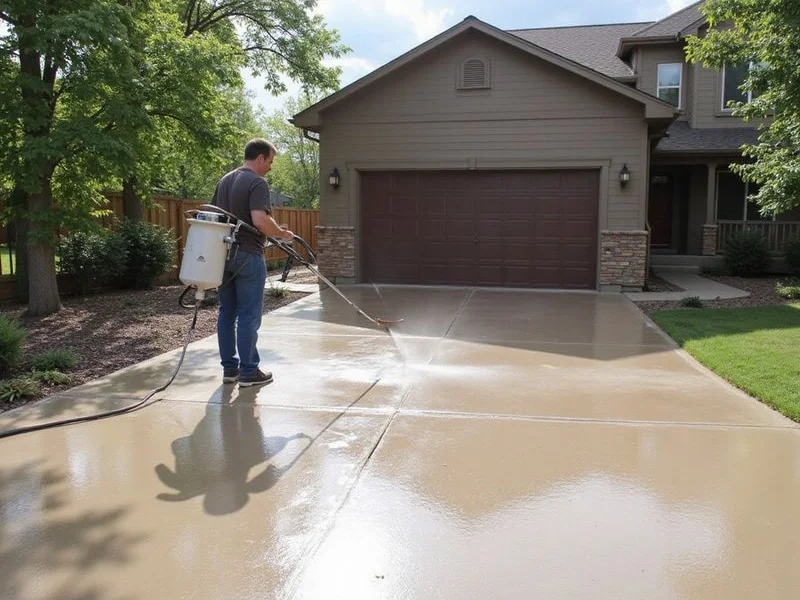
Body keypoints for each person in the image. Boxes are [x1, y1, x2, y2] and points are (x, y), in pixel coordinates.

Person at [212, 139, 293, 387]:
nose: (270, 167)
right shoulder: (257, 182)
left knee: (226, 313)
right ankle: (249, 371)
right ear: (259, 158)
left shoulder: (224, 180)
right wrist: (281, 233)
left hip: (222, 255)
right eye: (270, 162)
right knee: (248, 315)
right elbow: (260, 221)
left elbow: (215, 216)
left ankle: (230, 370)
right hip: (248, 255)